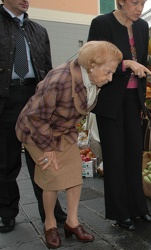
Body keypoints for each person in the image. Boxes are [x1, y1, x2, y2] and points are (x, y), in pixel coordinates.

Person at [15, 40, 123, 248]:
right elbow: (36, 117)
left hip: (62, 129)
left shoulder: (90, 78)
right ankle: (50, 224)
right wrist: (48, 148)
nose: (110, 79)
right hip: (36, 130)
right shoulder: (60, 80)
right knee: (52, 175)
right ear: (91, 65)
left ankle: (72, 223)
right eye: (108, 72)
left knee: (74, 174)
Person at [87, 0, 151, 231]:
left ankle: (140, 209)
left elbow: (144, 64)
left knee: (134, 156)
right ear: (120, 1)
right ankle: (120, 213)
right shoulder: (101, 23)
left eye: (143, 2)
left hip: (133, 100)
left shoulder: (143, 26)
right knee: (115, 158)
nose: (139, 8)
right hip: (110, 100)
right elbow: (92, 62)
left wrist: (142, 99)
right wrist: (124, 64)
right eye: (134, 2)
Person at [0, 0, 66, 234]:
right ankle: (7, 213)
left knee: (43, 158)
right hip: (5, 100)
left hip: (35, 99)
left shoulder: (40, 31)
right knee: (6, 161)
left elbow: (47, 69)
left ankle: (51, 212)